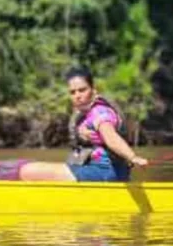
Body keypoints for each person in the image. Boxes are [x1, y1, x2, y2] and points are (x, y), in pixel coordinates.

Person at [19, 67, 148, 182]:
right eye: (73, 92)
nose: (77, 96)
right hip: (97, 170)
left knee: (28, 171)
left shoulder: (100, 113)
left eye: (82, 90)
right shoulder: (84, 115)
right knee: (28, 167)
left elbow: (111, 138)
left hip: (105, 172)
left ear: (93, 90)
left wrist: (133, 157)